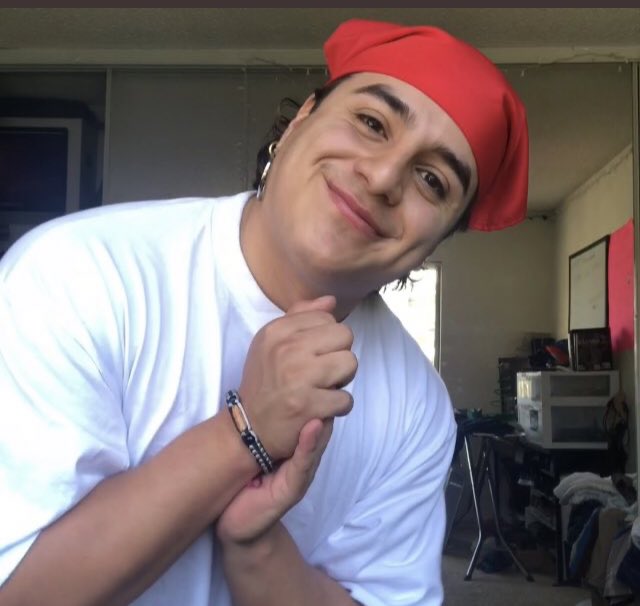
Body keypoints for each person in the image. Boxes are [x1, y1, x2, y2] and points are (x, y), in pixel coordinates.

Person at [0, 18, 528, 606]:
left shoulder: (417, 407)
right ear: (300, 121)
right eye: (372, 123)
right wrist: (242, 434)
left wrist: (255, 545)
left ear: (434, 241)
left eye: (432, 180)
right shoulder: (79, 275)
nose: (382, 177)